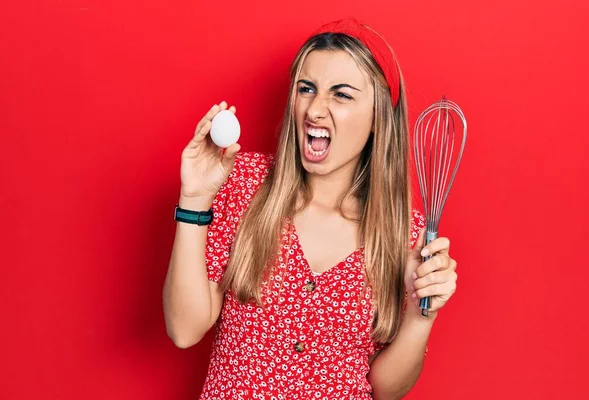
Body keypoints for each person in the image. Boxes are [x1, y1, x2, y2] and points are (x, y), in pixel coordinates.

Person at [163, 16, 458, 400]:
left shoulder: (406, 235)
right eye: (307, 89)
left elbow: (386, 391)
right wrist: (194, 199)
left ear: (377, 120)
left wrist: (422, 317)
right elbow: (184, 330)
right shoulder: (247, 185)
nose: (315, 110)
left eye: (341, 94)